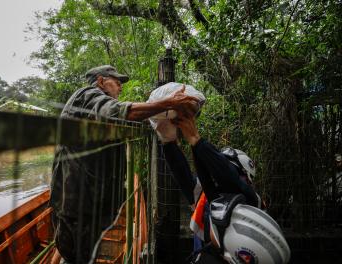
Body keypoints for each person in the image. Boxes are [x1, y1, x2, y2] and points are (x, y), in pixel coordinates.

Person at [49, 65, 199, 263]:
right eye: (117, 82)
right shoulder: (87, 96)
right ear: (101, 81)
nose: (120, 87)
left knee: (79, 249)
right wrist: (167, 104)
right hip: (77, 202)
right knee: (77, 255)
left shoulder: (97, 108)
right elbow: (120, 112)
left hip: (89, 200)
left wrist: (158, 118)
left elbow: (126, 119)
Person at [157, 109, 290, 263]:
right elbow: (184, 176)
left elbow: (229, 179)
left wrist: (197, 141)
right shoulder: (211, 195)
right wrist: (168, 141)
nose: (215, 170)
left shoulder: (252, 202)